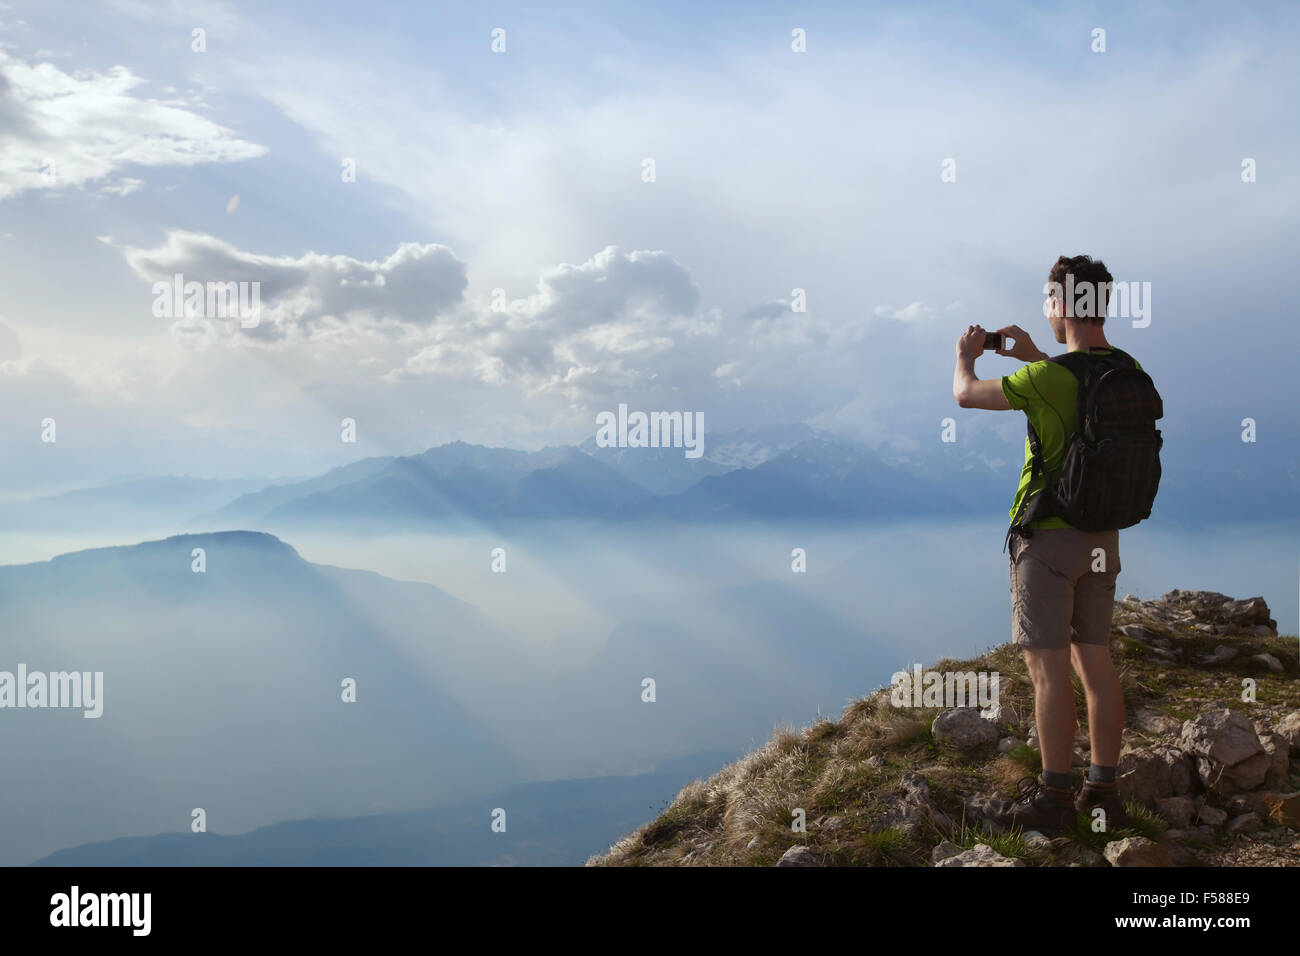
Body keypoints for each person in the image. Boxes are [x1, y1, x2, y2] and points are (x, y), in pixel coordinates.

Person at [951, 255, 1142, 835]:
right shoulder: (1127, 371)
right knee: (1097, 663)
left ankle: (1054, 800)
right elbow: (1071, 391)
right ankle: (1103, 792)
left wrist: (965, 355)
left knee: (1048, 672)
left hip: (1049, 543)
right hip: (1104, 540)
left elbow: (966, 394)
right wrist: (1034, 353)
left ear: (1061, 305)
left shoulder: (1047, 379)